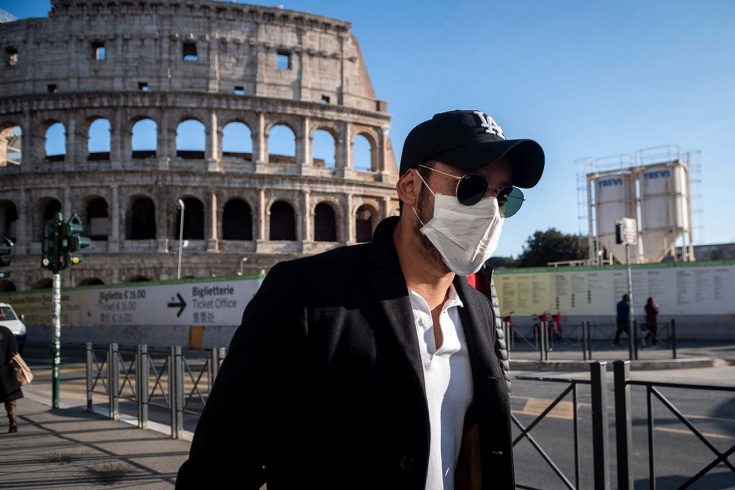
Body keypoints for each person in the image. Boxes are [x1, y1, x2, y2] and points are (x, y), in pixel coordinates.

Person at [176, 109, 544, 489]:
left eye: (503, 196)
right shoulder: (305, 294)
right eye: (471, 186)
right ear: (411, 187)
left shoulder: (478, 309)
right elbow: (220, 468)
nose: (490, 209)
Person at [0, 324, 23, 433]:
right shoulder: (6, 331)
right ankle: (13, 422)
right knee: (10, 398)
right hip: (7, 370)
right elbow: (15, 349)